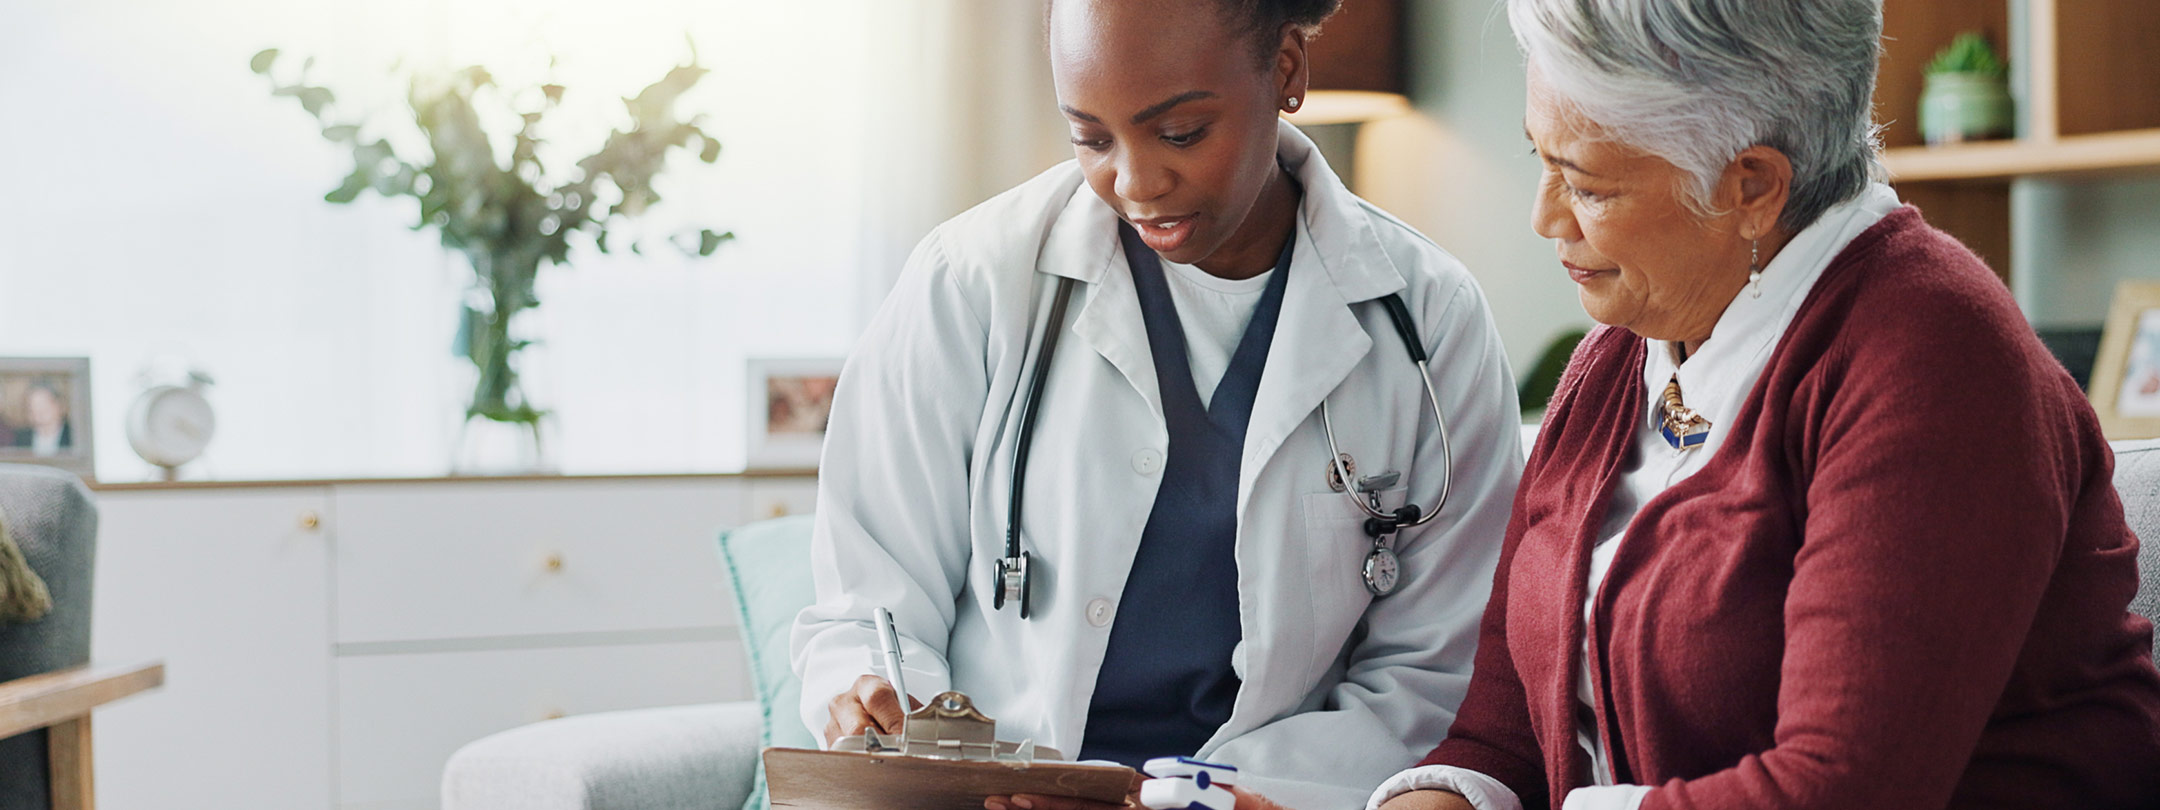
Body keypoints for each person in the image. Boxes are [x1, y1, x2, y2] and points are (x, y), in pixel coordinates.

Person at [1351, 1, 2160, 808]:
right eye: (1543, 158)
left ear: (1753, 187)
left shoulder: (1936, 361)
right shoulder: (1618, 359)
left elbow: (1844, 792)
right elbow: (1506, 737)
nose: (1545, 217)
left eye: (1587, 185)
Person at [789, 0, 1525, 806]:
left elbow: (1433, 671)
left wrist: (1204, 797)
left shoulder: (1430, 319)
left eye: (1179, 134)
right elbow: (873, 606)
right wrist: (877, 698)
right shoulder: (972, 281)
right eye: (1091, 138)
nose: (1135, 184)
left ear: (1285, 71)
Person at [14, 383, 72, 457]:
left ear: (59, 405)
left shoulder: (73, 436)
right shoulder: (21, 438)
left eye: (43, 404)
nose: (38, 411)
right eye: (32, 405)